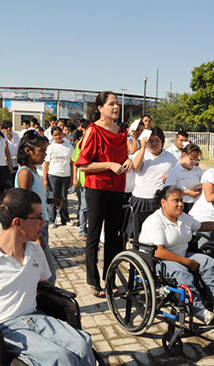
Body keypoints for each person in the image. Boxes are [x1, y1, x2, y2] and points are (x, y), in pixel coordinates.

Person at [0, 188, 94, 366]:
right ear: (18, 223)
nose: (44, 223)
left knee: (83, 344)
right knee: (60, 358)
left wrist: (61, 297)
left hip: (36, 318)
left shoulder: (35, 250)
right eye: (38, 218)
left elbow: (41, 284)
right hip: (2, 328)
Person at [139, 186, 214, 324]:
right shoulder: (155, 221)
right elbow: (159, 251)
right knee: (182, 272)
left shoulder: (183, 218)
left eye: (181, 200)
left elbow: (202, 226)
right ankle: (198, 309)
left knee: (207, 261)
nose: (181, 204)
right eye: (175, 201)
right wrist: (187, 262)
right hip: (157, 261)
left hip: (180, 255)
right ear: (163, 202)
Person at [75, 91, 133, 298]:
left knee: (113, 237)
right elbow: (83, 165)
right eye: (111, 104)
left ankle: (110, 278)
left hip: (117, 188)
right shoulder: (93, 131)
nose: (116, 107)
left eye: (117, 104)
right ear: (99, 108)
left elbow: (125, 156)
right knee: (93, 235)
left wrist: (128, 162)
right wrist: (109, 165)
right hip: (97, 189)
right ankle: (93, 280)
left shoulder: (122, 132)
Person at [15, 131, 57, 284]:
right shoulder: (25, 173)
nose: (45, 155)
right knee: (49, 275)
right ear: (28, 151)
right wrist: (37, 236)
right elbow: (24, 204)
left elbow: (36, 198)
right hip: (33, 229)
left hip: (41, 226)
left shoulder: (34, 171)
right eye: (41, 151)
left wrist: (51, 200)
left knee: (43, 273)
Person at [131, 126, 178, 213]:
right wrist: (142, 148)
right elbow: (135, 168)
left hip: (160, 200)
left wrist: (170, 174)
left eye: (157, 140)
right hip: (141, 198)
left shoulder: (170, 157)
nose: (154, 143)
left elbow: (178, 173)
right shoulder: (140, 153)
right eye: (151, 141)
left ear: (162, 141)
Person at [44, 127, 74, 227]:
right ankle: (52, 220)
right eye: (55, 135)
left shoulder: (69, 146)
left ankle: (65, 218)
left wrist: (73, 177)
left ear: (63, 134)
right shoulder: (50, 147)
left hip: (66, 175)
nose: (58, 137)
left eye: (59, 134)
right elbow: (46, 164)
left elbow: (72, 163)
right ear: (52, 136)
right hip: (53, 175)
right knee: (53, 198)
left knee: (64, 198)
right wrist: (45, 179)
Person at [165, 143, 203, 213]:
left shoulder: (197, 170)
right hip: (181, 204)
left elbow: (203, 184)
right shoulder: (175, 171)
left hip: (196, 204)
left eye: (196, 160)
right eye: (192, 159)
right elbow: (169, 191)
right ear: (184, 155)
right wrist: (187, 193)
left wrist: (200, 188)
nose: (194, 162)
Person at [2, 120, 20, 187]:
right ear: (3, 129)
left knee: (14, 183)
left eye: (10, 127)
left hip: (15, 163)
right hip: (5, 163)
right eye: (6, 127)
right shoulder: (2, 137)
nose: (8, 129)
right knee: (6, 183)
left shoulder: (16, 136)